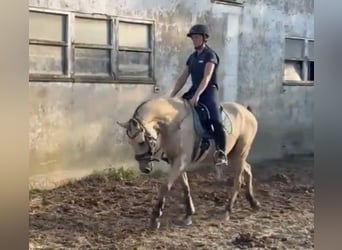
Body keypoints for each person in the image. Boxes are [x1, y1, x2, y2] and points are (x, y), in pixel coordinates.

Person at [170, 24, 228, 167]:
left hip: (208, 90)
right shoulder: (192, 57)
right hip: (194, 89)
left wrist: (197, 95)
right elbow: (183, 77)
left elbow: (207, 77)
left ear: (204, 38)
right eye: (193, 37)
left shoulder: (210, 55)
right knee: (177, 113)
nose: (194, 40)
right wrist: (171, 95)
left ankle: (221, 152)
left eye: (196, 37)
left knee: (216, 120)